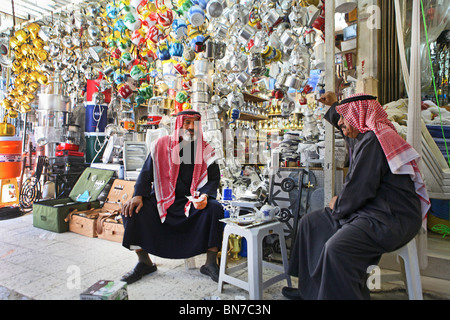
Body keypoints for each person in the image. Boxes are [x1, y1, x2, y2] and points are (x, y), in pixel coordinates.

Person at [282, 92, 430, 300]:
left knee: (336, 248)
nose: (340, 122)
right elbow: (344, 125)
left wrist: (339, 205)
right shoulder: (362, 135)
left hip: (391, 217)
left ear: (358, 116)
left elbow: (361, 188)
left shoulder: (375, 140)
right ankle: (310, 291)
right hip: (369, 209)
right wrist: (334, 105)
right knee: (310, 223)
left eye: (344, 116)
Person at [120, 110, 224, 284]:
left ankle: (210, 263)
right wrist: (138, 195)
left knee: (215, 209)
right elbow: (146, 174)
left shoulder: (206, 150)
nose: (191, 127)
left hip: (192, 202)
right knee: (132, 210)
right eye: (187, 122)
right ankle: (144, 262)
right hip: (162, 200)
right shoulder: (160, 145)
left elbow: (213, 179)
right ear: (179, 124)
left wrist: (205, 196)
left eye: (195, 123)